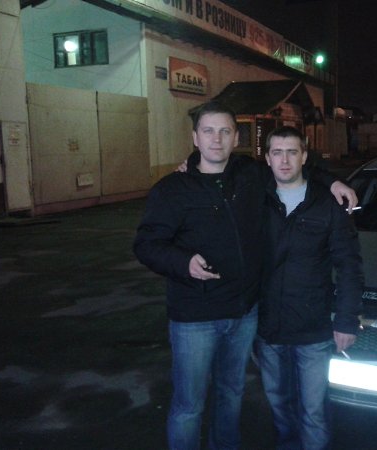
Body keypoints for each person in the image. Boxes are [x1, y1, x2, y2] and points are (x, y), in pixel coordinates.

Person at [133, 101, 357, 450]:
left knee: (231, 395)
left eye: (225, 131)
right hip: (194, 318)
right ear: (195, 137)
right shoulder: (172, 189)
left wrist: (334, 181)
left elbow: (295, 168)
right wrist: (181, 262)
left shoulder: (250, 175)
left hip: (242, 316)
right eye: (208, 131)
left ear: (236, 138)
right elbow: (146, 244)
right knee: (189, 405)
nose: (216, 139)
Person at [256, 126, 363, 450]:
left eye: (292, 152)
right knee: (278, 403)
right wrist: (189, 165)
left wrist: (346, 320)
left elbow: (349, 265)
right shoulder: (256, 199)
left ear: (304, 156)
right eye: (277, 152)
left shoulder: (327, 204)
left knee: (313, 409)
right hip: (269, 327)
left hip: (313, 328)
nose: (284, 160)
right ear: (267, 158)